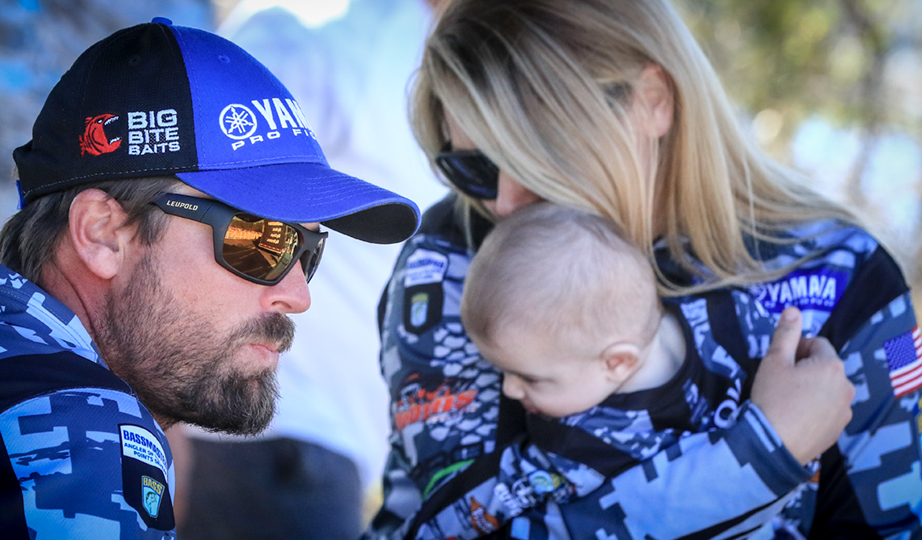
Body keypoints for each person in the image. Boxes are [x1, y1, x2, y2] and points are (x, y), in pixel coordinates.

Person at [364, 0, 922, 538]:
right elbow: (458, 530)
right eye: (474, 167)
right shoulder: (453, 260)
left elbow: (891, 525)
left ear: (652, 100)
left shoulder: (851, 275)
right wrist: (760, 455)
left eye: (541, 156)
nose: (506, 204)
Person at [0, 17, 420, 540]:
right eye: (258, 240)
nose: (297, 296)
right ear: (103, 234)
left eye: (308, 252)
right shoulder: (73, 427)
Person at [171, 2, 449, 539]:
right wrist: (158, 419)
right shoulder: (333, 45)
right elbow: (177, 195)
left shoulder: (471, 78)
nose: (300, 291)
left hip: (317, 454)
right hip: (253, 445)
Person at [427, 201, 838, 538]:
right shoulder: (731, 316)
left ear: (617, 362)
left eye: (529, 377)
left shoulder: (576, 444)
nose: (509, 390)